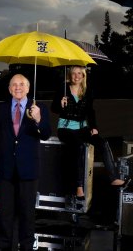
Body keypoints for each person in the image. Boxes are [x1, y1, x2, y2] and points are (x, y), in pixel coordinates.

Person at [0, 74, 52, 251]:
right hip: (5, 166)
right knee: (5, 210)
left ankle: (26, 247)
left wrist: (38, 119)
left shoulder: (38, 108)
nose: (18, 87)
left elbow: (47, 134)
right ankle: (3, 245)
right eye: (14, 84)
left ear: (28, 88)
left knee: (27, 211)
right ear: (9, 89)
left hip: (28, 166)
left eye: (22, 84)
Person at [51, 65, 125, 202]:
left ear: (84, 76)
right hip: (66, 129)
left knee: (102, 143)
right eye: (74, 73)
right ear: (69, 75)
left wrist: (94, 127)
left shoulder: (87, 90)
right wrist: (60, 104)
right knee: (78, 147)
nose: (77, 76)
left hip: (82, 128)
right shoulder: (63, 89)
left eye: (80, 73)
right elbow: (53, 108)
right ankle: (78, 186)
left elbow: (90, 111)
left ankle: (113, 178)